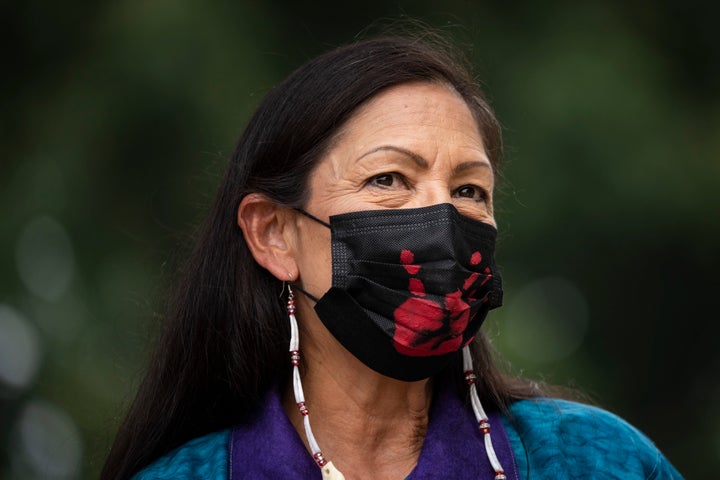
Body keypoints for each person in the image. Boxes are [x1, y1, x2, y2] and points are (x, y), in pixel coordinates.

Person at [101, 33, 683, 480]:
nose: (444, 219)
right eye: (389, 179)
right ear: (274, 235)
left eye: (468, 190)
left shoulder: (597, 463)